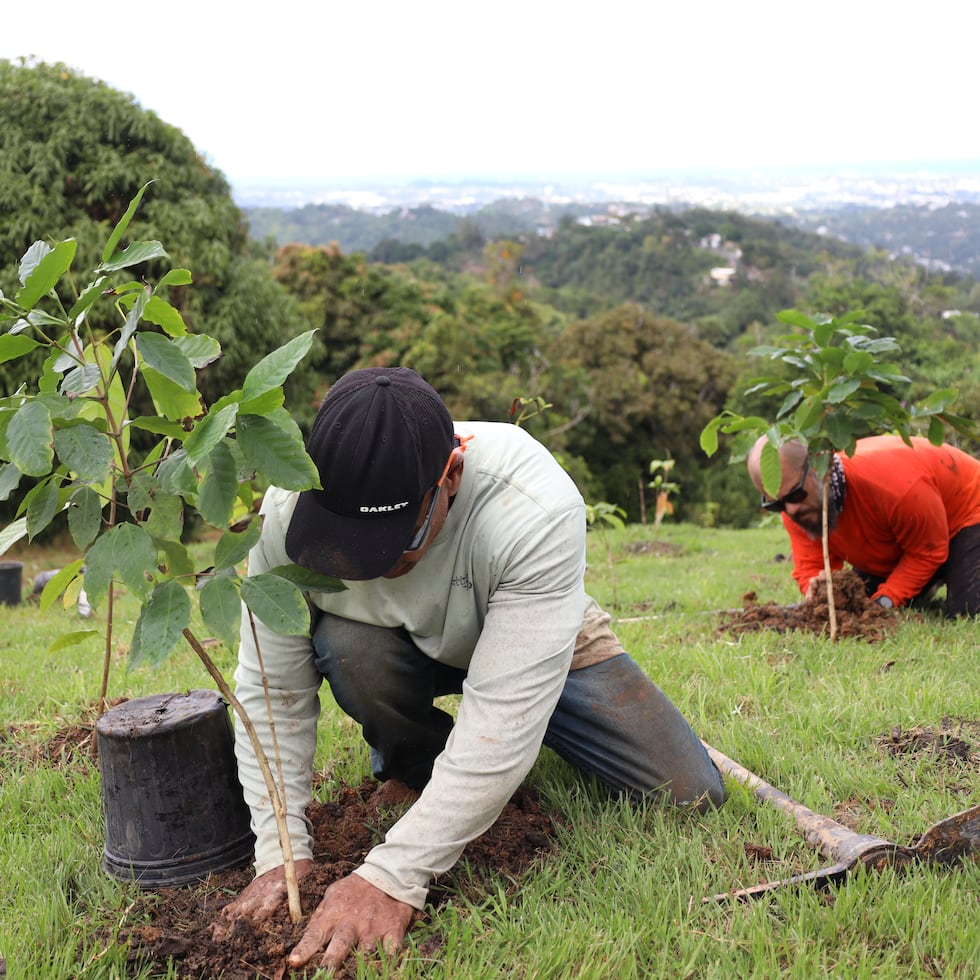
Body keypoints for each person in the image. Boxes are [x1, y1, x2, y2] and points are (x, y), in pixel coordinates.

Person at [217, 366, 724, 972]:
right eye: (343, 545)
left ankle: (470, 790)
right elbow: (273, 693)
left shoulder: (531, 507)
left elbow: (502, 719)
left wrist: (390, 877)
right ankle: (417, 769)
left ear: (450, 477)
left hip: (528, 626)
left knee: (689, 794)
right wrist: (281, 851)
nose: (365, 568)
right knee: (355, 647)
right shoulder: (283, 515)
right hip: (387, 641)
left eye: (389, 546)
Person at [746, 434, 980, 616]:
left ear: (819, 467)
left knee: (968, 608)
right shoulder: (795, 505)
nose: (791, 510)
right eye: (777, 505)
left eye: (796, 495)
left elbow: (928, 552)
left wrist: (885, 602)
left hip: (967, 516)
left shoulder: (894, 487)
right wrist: (818, 594)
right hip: (910, 540)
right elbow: (812, 567)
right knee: (853, 600)